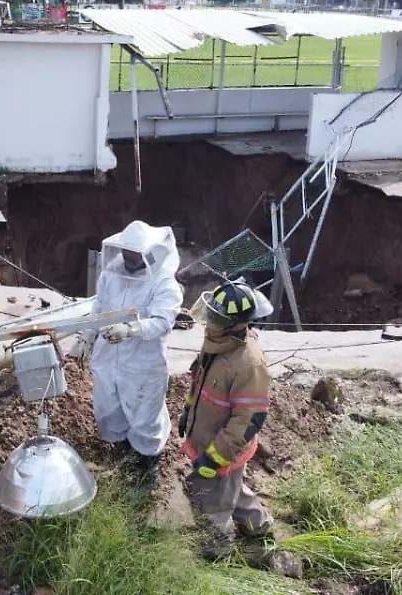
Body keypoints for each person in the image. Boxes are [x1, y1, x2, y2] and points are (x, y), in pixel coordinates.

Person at [67, 220, 183, 474]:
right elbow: (100, 307)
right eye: (126, 252)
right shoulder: (111, 273)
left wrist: (131, 329)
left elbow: (163, 322)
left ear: (147, 254)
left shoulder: (163, 282)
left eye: (135, 254)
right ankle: (121, 455)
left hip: (143, 363)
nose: (128, 258)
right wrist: (87, 335)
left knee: (143, 417)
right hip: (108, 358)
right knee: (108, 409)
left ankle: (145, 467)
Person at [180, 279, 275, 559]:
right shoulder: (217, 341)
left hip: (223, 449)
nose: (208, 322)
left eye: (216, 318)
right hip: (207, 436)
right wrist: (187, 412)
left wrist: (214, 457)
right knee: (232, 490)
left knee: (214, 506)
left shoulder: (249, 362)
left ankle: (216, 552)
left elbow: (248, 420)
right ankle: (259, 526)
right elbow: (199, 383)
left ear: (235, 324)